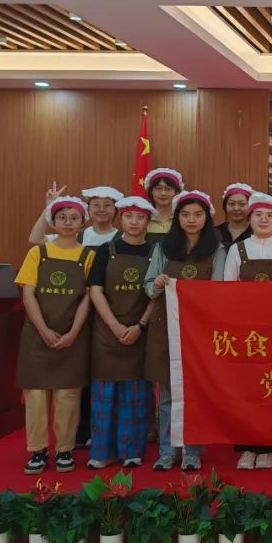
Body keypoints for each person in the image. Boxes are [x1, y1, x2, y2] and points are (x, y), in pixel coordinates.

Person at [143, 190, 225, 471]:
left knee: (195, 394)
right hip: (165, 328)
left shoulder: (217, 250)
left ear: (207, 218)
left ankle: (192, 451)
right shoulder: (162, 249)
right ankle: (167, 451)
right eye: (185, 215)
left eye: (198, 215)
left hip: (199, 332)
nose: (191, 220)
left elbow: (219, 292)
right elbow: (148, 288)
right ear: (177, 218)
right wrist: (157, 283)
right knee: (167, 393)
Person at [14, 196, 95, 474]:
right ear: (53, 221)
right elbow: (28, 294)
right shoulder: (38, 253)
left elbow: (88, 298)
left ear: (82, 222)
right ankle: (37, 450)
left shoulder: (88, 256)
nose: (68, 223)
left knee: (67, 395)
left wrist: (73, 332)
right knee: (36, 396)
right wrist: (43, 329)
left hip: (73, 336)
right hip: (37, 337)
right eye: (62, 218)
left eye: (74, 218)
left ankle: (64, 449)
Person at [223, 192, 272, 471]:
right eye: (258, 215)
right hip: (245, 330)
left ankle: (267, 448)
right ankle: (246, 447)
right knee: (245, 389)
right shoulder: (237, 249)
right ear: (249, 218)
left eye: (269, 216)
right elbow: (227, 291)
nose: (263, 220)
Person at [85, 195, 158, 470]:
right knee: (104, 396)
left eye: (140, 217)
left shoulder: (155, 252)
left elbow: (157, 294)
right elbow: (95, 290)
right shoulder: (107, 250)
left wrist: (141, 325)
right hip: (106, 332)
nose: (134, 222)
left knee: (136, 394)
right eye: (129, 216)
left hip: (140, 332)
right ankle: (102, 452)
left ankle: (132, 450)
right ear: (121, 219)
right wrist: (114, 325)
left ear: (148, 221)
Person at [28, 184, 122, 247]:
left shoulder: (124, 238)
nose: (101, 209)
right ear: (88, 209)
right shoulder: (74, 236)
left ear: (115, 210)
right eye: (96, 205)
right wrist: (50, 206)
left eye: (107, 205)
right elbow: (36, 239)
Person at [144, 168, 184, 242]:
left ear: (176, 192)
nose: (163, 193)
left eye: (168, 189)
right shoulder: (143, 218)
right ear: (151, 192)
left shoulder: (183, 218)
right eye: (158, 188)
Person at [217, 182, 254, 247]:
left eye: (242, 204)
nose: (236, 208)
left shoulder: (256, 233)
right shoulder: (215, 232)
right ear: (225, 206)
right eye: (231, 204)